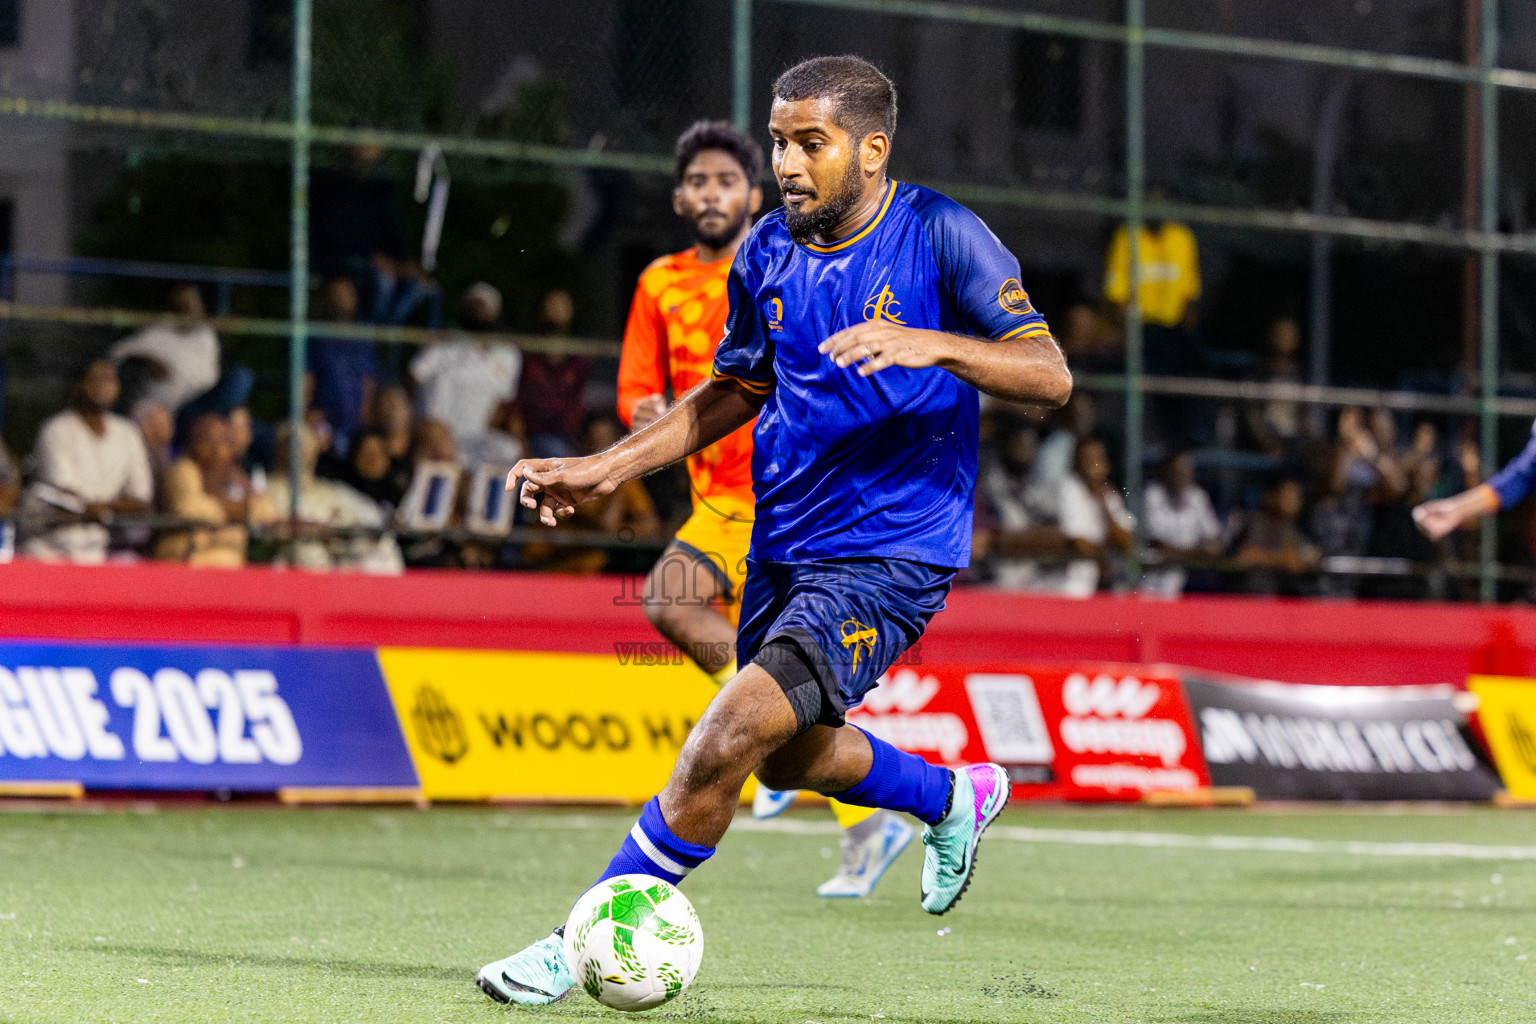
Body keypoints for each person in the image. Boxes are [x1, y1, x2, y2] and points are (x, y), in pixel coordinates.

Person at [478, 55, 1071, 1006]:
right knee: (788, 750)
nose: (786, 164)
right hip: (785, 540)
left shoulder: (940, 234)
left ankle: (576, 940)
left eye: (811, 144)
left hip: (892, 551)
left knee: (723, 737)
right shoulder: (766, 250)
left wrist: (936, 345)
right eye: (780, 142)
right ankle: (950, 797)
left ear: (872, 150)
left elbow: (1050, 374)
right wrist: (602, 469)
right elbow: (736, 390)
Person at [618, 119, 916, 894]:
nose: (712, 193)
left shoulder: (787, 258)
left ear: (752, 195)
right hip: (716, 501)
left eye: (727, 182)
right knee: (674, 607)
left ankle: (857, 816)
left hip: (787, 497)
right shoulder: (658, 283)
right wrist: (652, 422)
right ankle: (841, 797)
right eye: (699, 181)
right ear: (680, 196)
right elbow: (640, 392)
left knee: (769, 681)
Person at [20, 359, 154, 564]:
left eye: (109, 379)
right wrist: (102, 508)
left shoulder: (128, 432)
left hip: (99, 544)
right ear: (79, 384)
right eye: (94, 379)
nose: (102, 386)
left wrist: (101, 508)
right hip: (48, 545)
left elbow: (140, 500)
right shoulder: (57, 428)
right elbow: (66, 497)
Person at [410, 282, 523, 464]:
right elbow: (415, 378)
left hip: (473, 436)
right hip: (436, 430)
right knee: (441, 379)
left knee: (509, 450)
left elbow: (503, 405)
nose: (479, 312)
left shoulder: (508, 355)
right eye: (474, 306)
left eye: (485, 307)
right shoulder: (443, 344)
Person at [153, 412, 276, 567]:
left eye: (223, 440)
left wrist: (244, 508)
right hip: (186, 558)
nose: (216, 448)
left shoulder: (233, 473)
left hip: (229, 562)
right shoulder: (181, 469)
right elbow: (187, 508)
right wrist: (233, 509)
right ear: (193, 442)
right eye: (207, 439)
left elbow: (266, 511)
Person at [1034, 436, 1133, 598]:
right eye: (1087, 459)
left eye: (1098, 459)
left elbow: (1126, 543)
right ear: (1076, 462)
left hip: (1098, 585)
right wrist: (1105, 559)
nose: (1094, 465)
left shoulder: (1109, 495)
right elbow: (1078, 542)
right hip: (1063, 585)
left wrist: (1103, 505)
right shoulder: (1067, 487)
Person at [110, 283, 221, 415]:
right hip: (165, 408)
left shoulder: (206, 336)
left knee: (241, 380)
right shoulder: (157, 332)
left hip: (199, 403)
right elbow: (117, 352)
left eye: (192, 304)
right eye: (182, 305)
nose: (189, 310)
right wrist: (146, 361)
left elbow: (211, 373)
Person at [306, 276, 379, 458]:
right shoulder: (314, 336)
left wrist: (367, 420)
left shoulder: (363, 337)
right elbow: (305, 378)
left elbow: (368, 380)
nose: (342, 299)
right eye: (337, 293)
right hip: (323, 422)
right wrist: (306, 414)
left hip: (357, 427)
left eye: (346, 293)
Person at [516, 289, 590, 458]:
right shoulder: (528, 352)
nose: (557, 311)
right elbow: (517, 401)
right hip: (535, 433)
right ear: (542, 311)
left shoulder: (578, 357)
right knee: (558, 454)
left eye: (562, 306)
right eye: (552, 306)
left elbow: (579, 401)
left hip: (569, 434)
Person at [1142, 450, 1222, 598]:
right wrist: (1195, 553)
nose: (1182, 475)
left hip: (1187, 580)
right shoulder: (1152, 495)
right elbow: (1156, 543)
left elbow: (1214, 540)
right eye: (1177, 471)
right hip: (1150, 581)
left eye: (1186, 470)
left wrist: (1199, 551)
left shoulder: (1197, 497)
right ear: (1166, 473)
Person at [1227, 477, 1320, 596]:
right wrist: (1280, 559)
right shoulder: (1253, 521)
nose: (1293, 502)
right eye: (1288, 496)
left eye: (1296, 497)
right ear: (1271, 496)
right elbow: (1246, 557)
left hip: (1277, 600)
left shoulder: (1289, 527)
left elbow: (1294, 565)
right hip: (1244, 597)